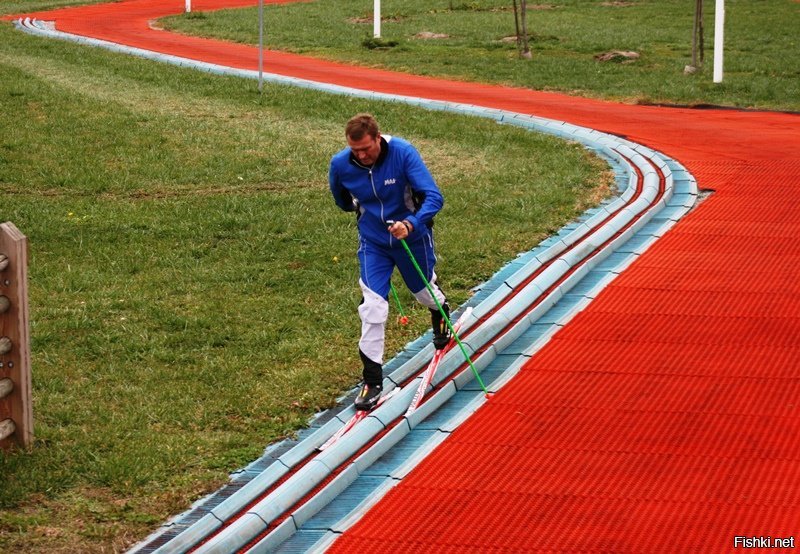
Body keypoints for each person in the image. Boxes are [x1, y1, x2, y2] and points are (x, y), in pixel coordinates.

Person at [329, 113, 450, 411]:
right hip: (374, 242)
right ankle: (372, 380)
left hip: (411, 238)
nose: (361, 155)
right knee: (372, 307)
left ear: (378, 138)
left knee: (423, 292)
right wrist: (362, 210)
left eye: (366, 149)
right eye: (355, 150)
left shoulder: (403, 153)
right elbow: (342, 200)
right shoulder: (340, 164)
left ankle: (441, 310)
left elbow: (434, 196)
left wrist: (410, 224)